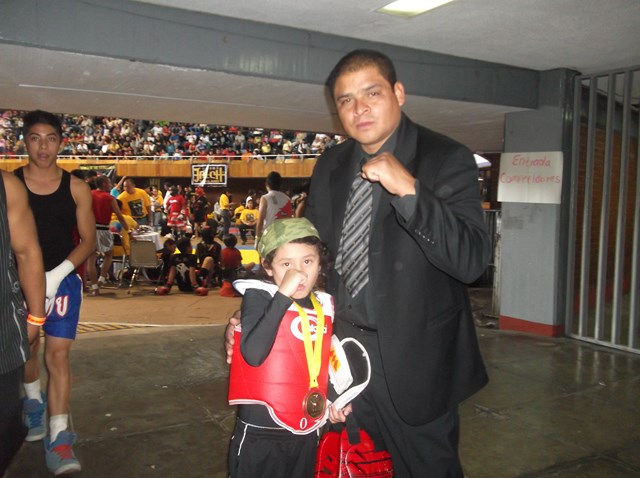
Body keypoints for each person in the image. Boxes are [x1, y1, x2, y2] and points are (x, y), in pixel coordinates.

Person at [227, 50, 490, 476]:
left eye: (372, 93)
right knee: (353, 467)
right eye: (346, 100)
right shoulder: (332, 164)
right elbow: (308, 259)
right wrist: (260, 314)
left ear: (398, 93)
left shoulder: (445, 157)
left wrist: (410, 191)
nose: (359, 108)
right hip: (338, 357)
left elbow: (471, 261)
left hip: (417, 361)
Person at [15, 109, 96, 475]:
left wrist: (56, 275)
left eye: (50, 139)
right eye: (35, 138)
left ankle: (60, 435)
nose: (43, 147)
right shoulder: (11, 185)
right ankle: (34, 402)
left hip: (61, 280)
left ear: (61, 143)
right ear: (25, 142)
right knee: (28, 347)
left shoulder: (76, 187)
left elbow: (89, 241)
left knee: (58, 355)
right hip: (19, 280)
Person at [227, 218, 334, 478]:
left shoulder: (323, 305)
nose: (299, 273)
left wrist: (338, 400)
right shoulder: (259, 295)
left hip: (307, 429)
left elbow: (327, 358)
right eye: (286, 264)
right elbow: (253, 354)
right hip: (261, 432)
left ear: (320, 263)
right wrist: (282, 296)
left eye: (307, 261)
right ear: (268, 267)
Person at [0, 171, 45, 475]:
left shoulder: (6, 187)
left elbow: (27, 252)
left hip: (3, 327)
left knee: (6, 421)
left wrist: (36, 316)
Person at [87, 175, 129, 295]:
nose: (111, 185)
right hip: (103, 229)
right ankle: (102, 278)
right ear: (104, 184)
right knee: (109, 254)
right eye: (109, 183)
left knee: (91, 259)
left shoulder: (89, 194)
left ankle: (95, 287)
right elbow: (119, 215)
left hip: (89, 229)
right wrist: (127, 229)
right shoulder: (109, 198)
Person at [255, 171, 292, 244]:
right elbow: (289, 218)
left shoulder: (265, 198)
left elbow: (260, 220)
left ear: (267, 184)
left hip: (270, 234)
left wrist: (257, 238)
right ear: (280, 184)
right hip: (284, 234)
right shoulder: (287, 198)